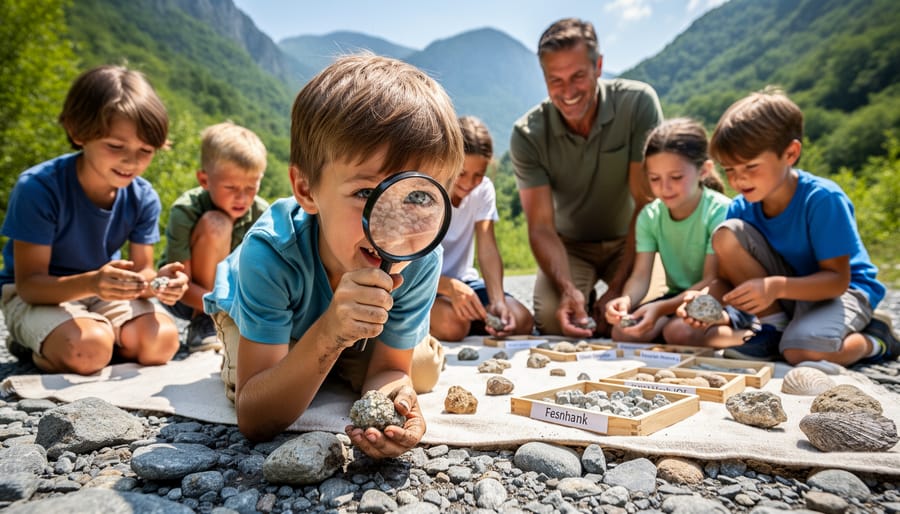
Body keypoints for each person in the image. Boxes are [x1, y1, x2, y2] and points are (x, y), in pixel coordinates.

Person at [203, 54, 463, 456]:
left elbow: (389, 370)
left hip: (346, 323)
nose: (392, 224)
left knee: (420, 373)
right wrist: (330, 334)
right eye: (365, 193)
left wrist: (396, 410)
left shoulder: (420, 255)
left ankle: (339, 353)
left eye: (416, 196)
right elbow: (255, 418)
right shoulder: (270, 252)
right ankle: (326, 350)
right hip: (256, 313)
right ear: (306, 190)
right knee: (268, 378)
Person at [683, 87, 899, 365]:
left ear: (790, 153)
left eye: (750, 166)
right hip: (786, 294)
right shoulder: (740, 207)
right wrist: (701, 298)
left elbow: (837, 280)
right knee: (725, 235)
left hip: (841, 292)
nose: (738, 180)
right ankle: (775, 328)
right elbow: (725, 279)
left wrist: (773, 287)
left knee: (802, 352)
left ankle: (877, 340)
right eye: (730, 170)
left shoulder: (822, 199)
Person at [0, 65, 189, 375]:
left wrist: (159, 283)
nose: (132, 161)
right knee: (88, 349)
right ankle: (41, 344)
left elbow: (143, 269)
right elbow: (30, 285)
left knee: (162, 343)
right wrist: (91, 283)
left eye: (146, 150)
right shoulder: (38, 188)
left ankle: (92, 337)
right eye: (115, 146)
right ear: (78, 133)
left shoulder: (143, 197)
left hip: (102, 291)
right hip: (40, 296)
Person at [509, 17, 664, 338]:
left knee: (639, 315)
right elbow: (540, 227)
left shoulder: (638, 104)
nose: (568, 92)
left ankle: (603, 302)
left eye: (578, 76)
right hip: (572, 248)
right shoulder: (527, 134)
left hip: (633, 239)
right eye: (556, 80)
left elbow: (645, 204)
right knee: (555, 320)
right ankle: (584, 299)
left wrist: (618, 288)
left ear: (599, 66)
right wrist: (567, 290)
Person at [604, 118, 731, 345]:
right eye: (655, 179)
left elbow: (711, 280)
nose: (665, 188)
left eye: (676, 177)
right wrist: (626, 301)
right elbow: (641, 275)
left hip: (710, 298)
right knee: (623, 332)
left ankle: (737, 333)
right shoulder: (650, 216)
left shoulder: (719, 211)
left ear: (704, 170)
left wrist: (659, 308)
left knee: (678, 333)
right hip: (675, 298)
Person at [158, 121, 269, 353]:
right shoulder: (186, 210)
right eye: (231, 187)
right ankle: (203, 322)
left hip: (232, 299)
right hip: (187, 301)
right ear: (204, 181)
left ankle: (223, 320)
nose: (242, 197)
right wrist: (232, 308)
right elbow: (183, 287)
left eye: (251, 188)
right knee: (217, 224)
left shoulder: (261, 213)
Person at [430, 116, 534, 341]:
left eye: (478, 175)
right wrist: (449, 288)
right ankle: (464, 321)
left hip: (465, 282)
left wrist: (497, 300)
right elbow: (406, 266)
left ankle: (479, 318)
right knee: (453, 326)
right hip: (427, 284)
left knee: (521, 319)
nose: (468, 183)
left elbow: (487, 248)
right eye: (461, 174)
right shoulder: (427, 190)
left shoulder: (483, 190)